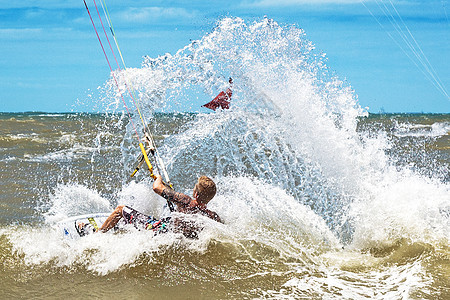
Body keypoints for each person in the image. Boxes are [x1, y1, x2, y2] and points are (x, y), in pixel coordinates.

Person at [95, 174, 222, 238]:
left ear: (196, 194)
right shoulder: (212, 216)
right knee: (156, 219)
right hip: (177, 235)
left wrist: (158, 177)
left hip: (162, 232)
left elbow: (156, 187)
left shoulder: (186, 201)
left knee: (120, 209)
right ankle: (120, 228)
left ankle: (97, 235)